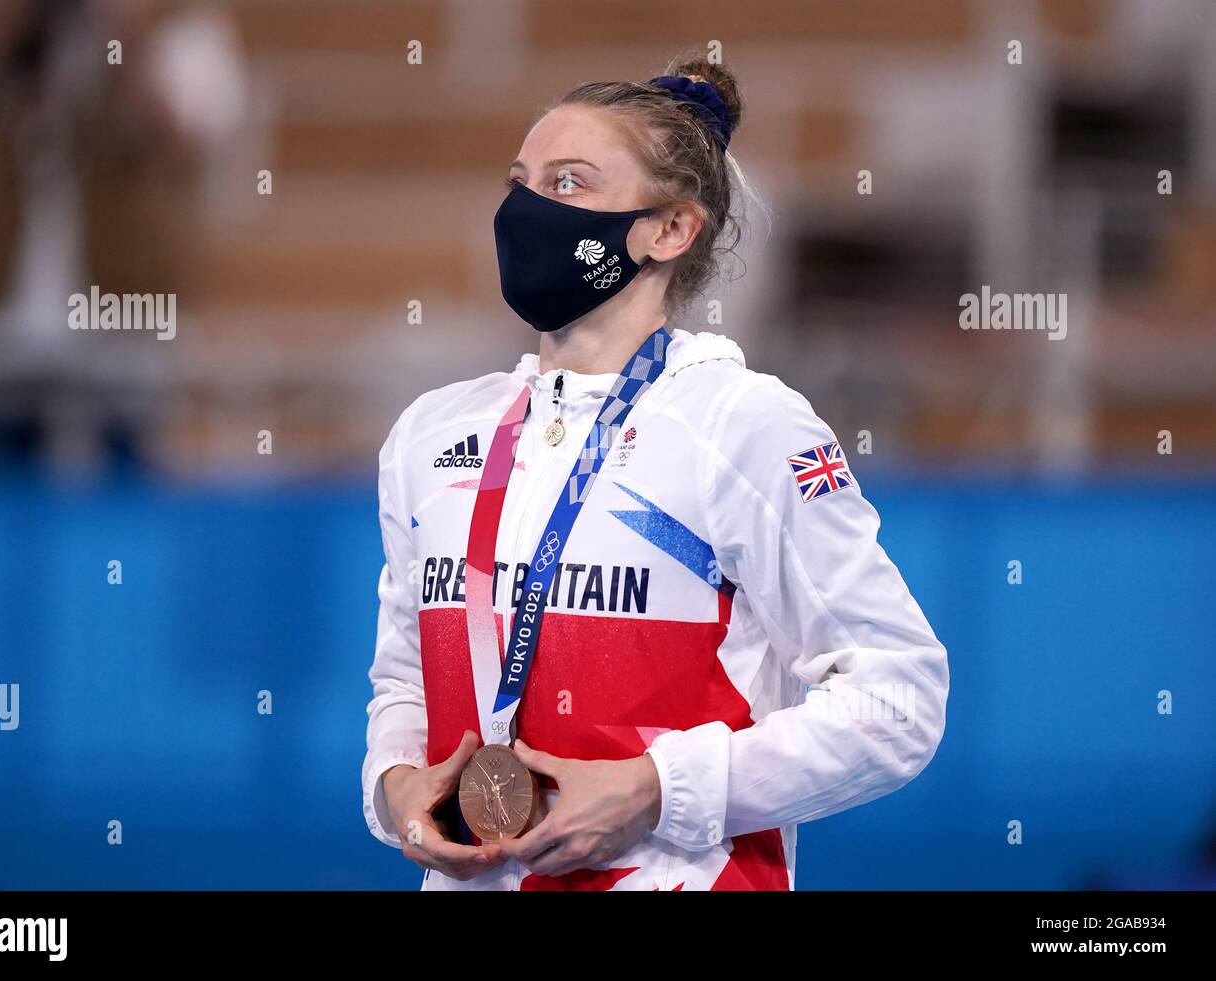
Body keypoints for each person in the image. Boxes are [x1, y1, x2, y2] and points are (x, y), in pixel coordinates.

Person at [362, 56, 949, 891]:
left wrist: (660, 788)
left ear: (670, 229)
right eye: (519, 181)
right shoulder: (432, 434)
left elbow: (900, 699)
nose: (526, 209)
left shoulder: (744, 426)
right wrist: (394, 788)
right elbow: (404, 677)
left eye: (569, 183)